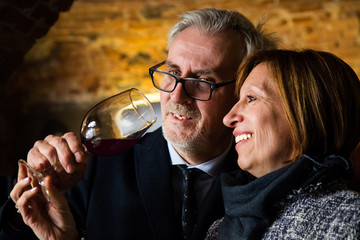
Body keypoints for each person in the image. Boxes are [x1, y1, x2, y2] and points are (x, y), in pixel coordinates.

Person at [0, 8, 277, 240]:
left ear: (241, 91)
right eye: (173, 73)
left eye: (202, 81)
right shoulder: (93, 166)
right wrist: (29, 199)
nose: (177, 96)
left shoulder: (267, 177)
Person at [205, 49, 360, 240]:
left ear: (306, 115)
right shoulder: (219, 229)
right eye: (239, 100)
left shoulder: (349, 220)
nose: (228, 118)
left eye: (251, 98)